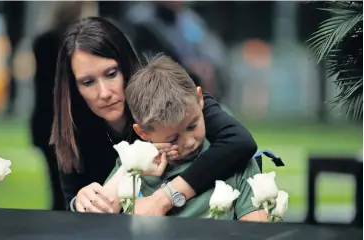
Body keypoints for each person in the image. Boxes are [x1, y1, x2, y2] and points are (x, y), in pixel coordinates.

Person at [50, 17, 257, 214]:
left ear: (126, 64)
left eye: (111, 74)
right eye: (88, 82)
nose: (104, 93)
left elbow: (240, 141)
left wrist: (167, 196)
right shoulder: (72, 131)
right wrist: (80, 202)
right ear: (74, 87)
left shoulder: (167, 93)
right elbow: (75, 208)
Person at [100, 55, 266, 221]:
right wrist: (130, 170)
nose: (190, 142)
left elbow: (255, 236)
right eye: (173, 139)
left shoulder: (234, 160)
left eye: (192, 126)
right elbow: (100, 223)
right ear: (143, 133)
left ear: (200, 98)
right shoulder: (131, 164)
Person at [31, 2, 83, 210]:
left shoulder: (44, 41)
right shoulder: (69, 44)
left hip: (45, 119)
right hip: (61, 119)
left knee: (57, 182)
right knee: (65, 183)